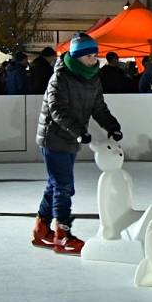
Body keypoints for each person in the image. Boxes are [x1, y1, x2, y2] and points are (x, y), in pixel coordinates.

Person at [33, 33, 123, 255]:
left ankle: (41, 228)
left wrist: (112, 126)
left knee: (55, 184)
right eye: (90, 55)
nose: (95, 59)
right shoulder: (60, 77)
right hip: (53, 137)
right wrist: (79, 131)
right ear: (78, 56)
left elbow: (98, 107)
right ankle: (62, 234)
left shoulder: (93, 77)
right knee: (64, 186)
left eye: (96, 54)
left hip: (71, 137)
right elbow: (57, 110)